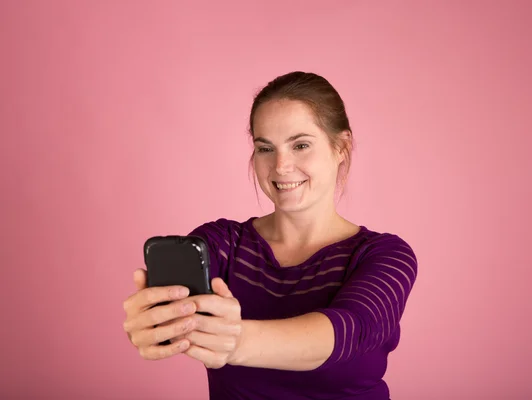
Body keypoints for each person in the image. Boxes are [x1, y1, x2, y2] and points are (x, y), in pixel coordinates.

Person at [122, 71, 418, 399]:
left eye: (301, 145)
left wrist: (237, 342)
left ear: (341, 148)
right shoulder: (222, 244)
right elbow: (173, 314)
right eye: (265, 148)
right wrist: (155, 324)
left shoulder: (386, 255)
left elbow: (348, 330)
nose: (281, 165)